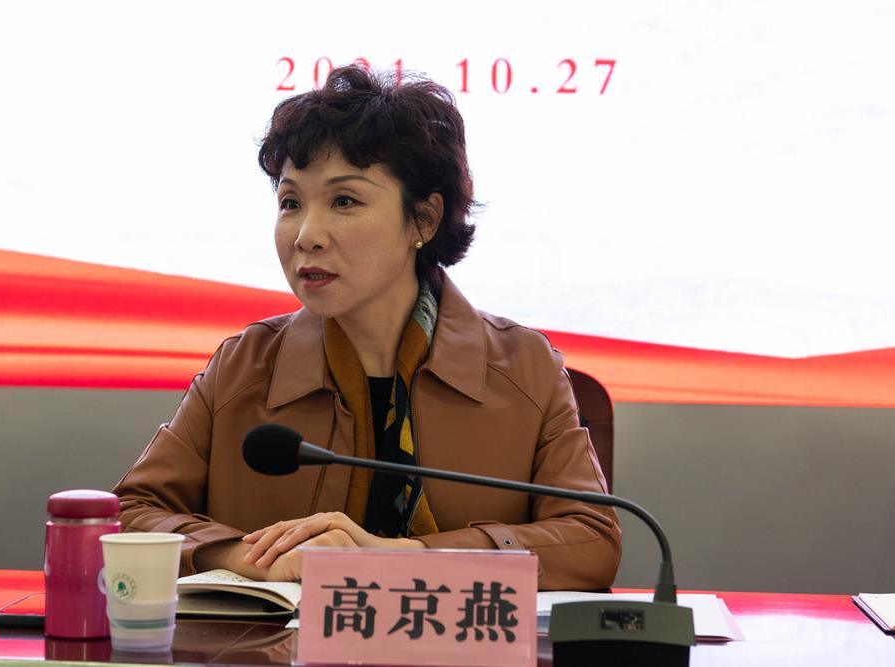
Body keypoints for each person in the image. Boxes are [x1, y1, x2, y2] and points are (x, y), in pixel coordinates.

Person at [113, 65, 620, 591]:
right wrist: (255, 558)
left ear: (423, 220)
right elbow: (128, 514)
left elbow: (592, 540)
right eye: (291, 203)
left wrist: (401, 557)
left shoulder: (525, 367)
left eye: (344, 201)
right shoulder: (244, 364)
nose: (306, 235)